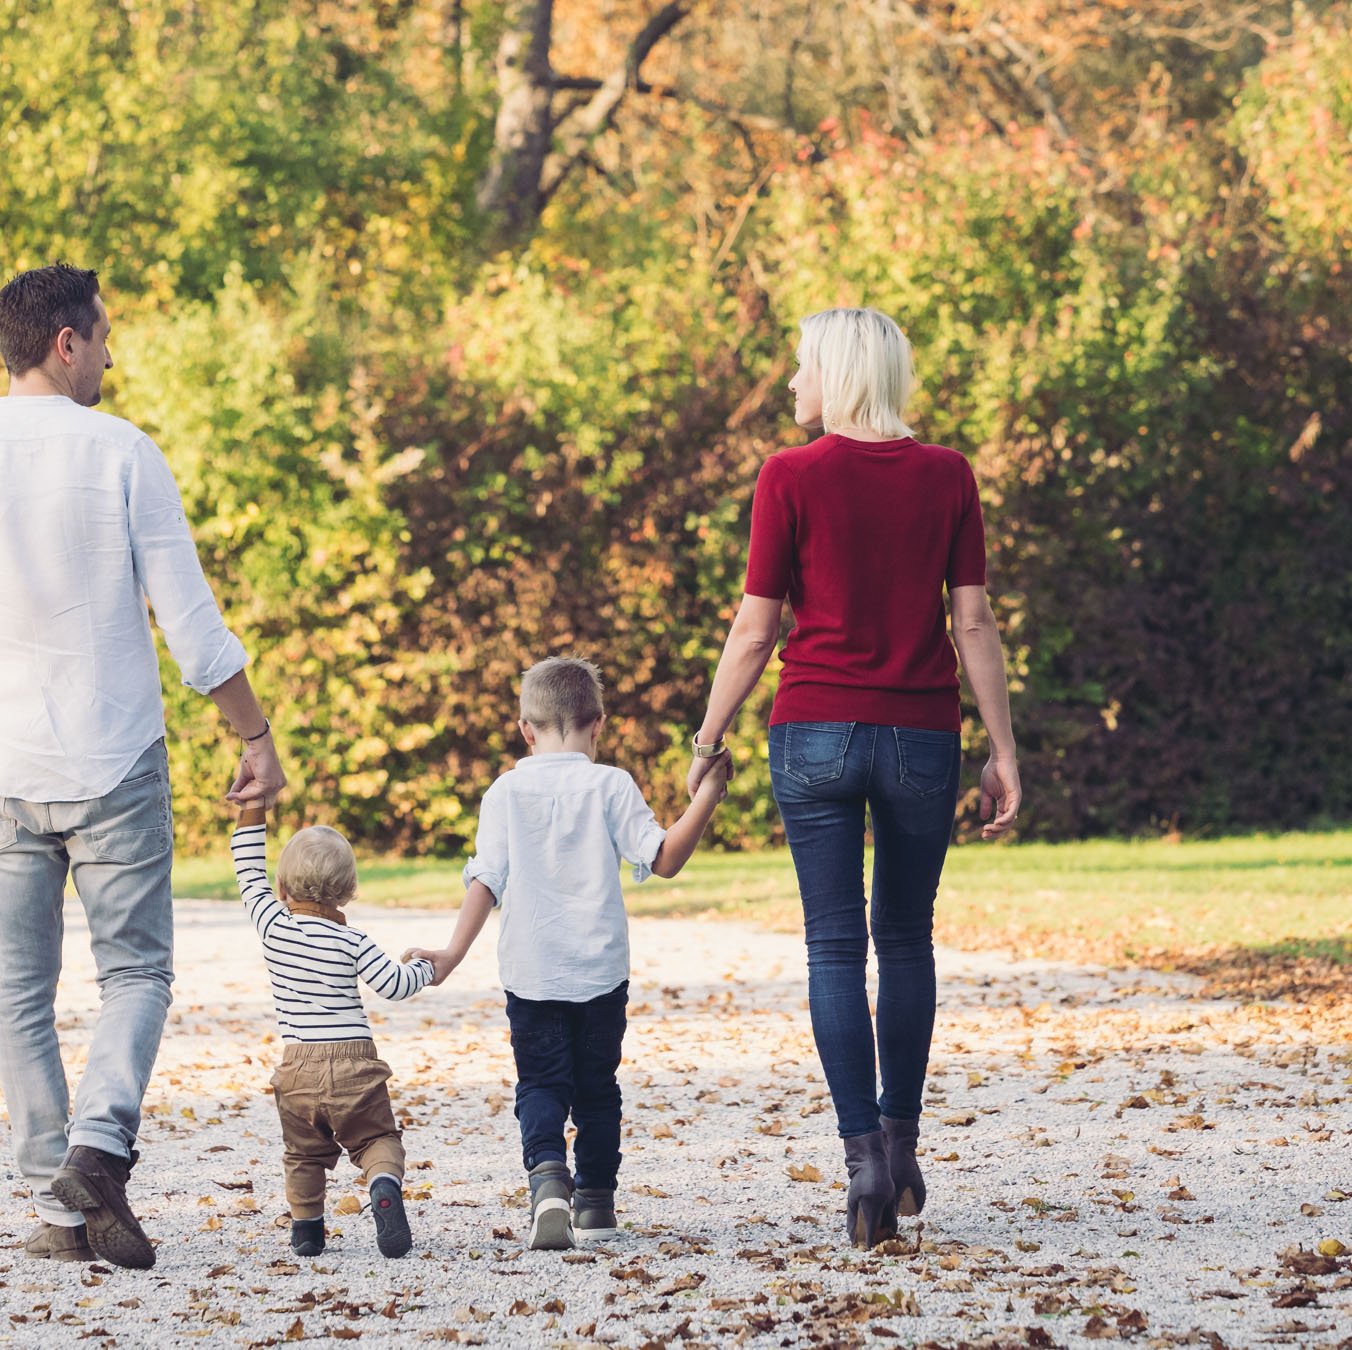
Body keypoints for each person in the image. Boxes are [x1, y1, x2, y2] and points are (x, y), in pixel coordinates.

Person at [0, 263, 286, 1269]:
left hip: (5, 767)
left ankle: (60, 1211)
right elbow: (193, 632)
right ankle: (97, 1155)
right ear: (66, 342)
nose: (111, 353)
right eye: (103, 337)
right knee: (137, 970)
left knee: (18, 989)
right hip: (113, 760)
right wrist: (255, 735)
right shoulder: (122, 453)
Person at [686, 306, 1021, 1248]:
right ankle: (904, 1147)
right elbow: (974, 623)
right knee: (905, 942)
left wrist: (708, 734)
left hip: (816, 732)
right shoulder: (948, 476)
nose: (792, 384)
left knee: (835, 949)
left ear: (836, 375)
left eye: (801, 368)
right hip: (920, 735)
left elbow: (756, 629)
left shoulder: (789, 475)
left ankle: (865, 1160)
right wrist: (1002, 748)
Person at [405, 656, 730, 1250]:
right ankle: (598, 1204)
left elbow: (486, 881)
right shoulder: (611, 785)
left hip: (531, 972)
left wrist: (450, 955)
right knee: (598, 1087)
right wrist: (707, 794)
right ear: (598, 724)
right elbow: (665, 859)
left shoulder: (503, 792)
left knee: (540, 1085)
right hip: (600, 973)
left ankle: (549, 1179)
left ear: (526, 729)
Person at [230, 803, 435, 1259]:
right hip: (355, 1066)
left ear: (281, 887)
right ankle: (382, 1183)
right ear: (348, 893)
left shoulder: (273, 926)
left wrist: (251, 808)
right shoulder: (352, 940)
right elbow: (395, 985)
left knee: (303, 1155)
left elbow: (246, 868)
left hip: (298, 1067)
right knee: (376, 1138)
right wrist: (423, 967)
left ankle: (306, 1229)